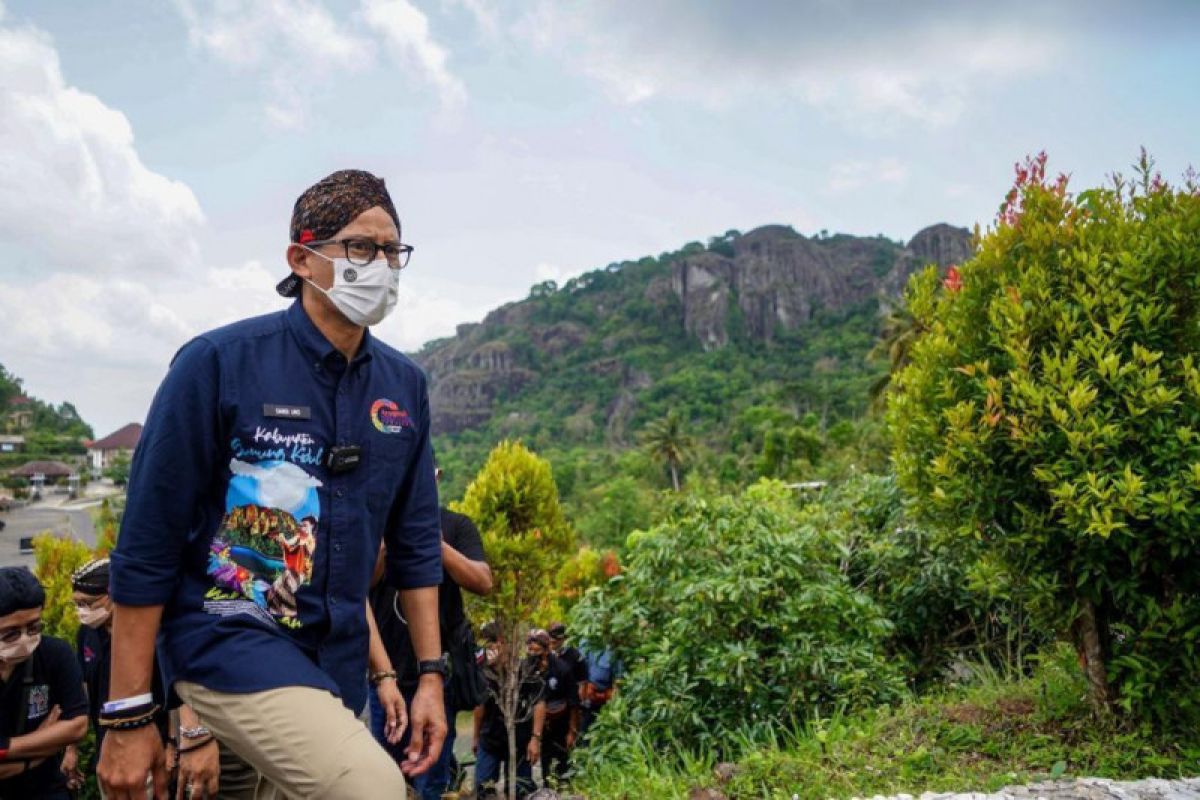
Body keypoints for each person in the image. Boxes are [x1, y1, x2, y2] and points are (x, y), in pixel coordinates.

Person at [101, 169, 448, 799]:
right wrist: (128, 711)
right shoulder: (218, 363)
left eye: (392, 251)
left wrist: (428, 675)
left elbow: (418, 542)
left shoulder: (404, 388)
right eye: (360, 248)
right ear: (302, 258)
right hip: (229, 639)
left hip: (335, 662)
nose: (381, 265)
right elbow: (146, 544)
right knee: (370, 788)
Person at [370, 476, 493, 800]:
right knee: (384, 775)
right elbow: (357, 587)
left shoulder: (456, 526)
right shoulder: (374, 523)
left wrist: (434, 544)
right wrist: (385, 542)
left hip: (438, 676)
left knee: (431, 779)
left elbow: (483, 581)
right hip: (388, 677)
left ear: (435, 477)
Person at [0, 567, 88, 799]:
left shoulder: (54, 654)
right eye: (10, 634)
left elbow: (77, 725)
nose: (25, 639)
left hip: (46, 790)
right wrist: (42, 748)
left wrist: (6, 747)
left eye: (34, 627)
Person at [473, 630, 546, 800]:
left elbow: (539, 703)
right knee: (484, 788)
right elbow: (479, 707)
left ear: (504, 644)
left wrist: (535, 738)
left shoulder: (525, 672)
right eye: (487, 644)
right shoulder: (485, 673)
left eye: (494, 643)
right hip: (490, 738)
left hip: (520, 741)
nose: (491, 649)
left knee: (521, 790)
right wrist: (476, 736)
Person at [540, 623, 582, 786]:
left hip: (562, 719)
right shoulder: (532, 665)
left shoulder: (565, 666)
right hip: (543, 721)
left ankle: (565, 784)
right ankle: (547, 785)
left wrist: (572, 730)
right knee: (546, 758)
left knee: (563, 756)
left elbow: (574, 701)